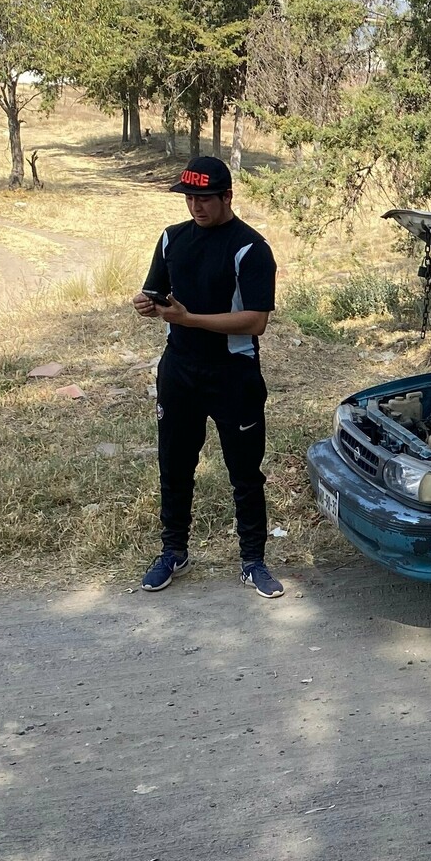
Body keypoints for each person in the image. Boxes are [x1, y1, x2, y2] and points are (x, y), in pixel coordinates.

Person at [132, 154, 285, 598]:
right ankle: (173, 551)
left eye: (204, 198)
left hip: (233, 373)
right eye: (189, 198)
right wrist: (146, 303)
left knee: (245, 472)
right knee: (175, 464)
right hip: (179, 369)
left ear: (227, 196)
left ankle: (253, 561)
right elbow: (157, 293)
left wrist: (189, 319)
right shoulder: (171, 238)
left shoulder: (250, 248)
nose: (195, 206)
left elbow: (255, 321)